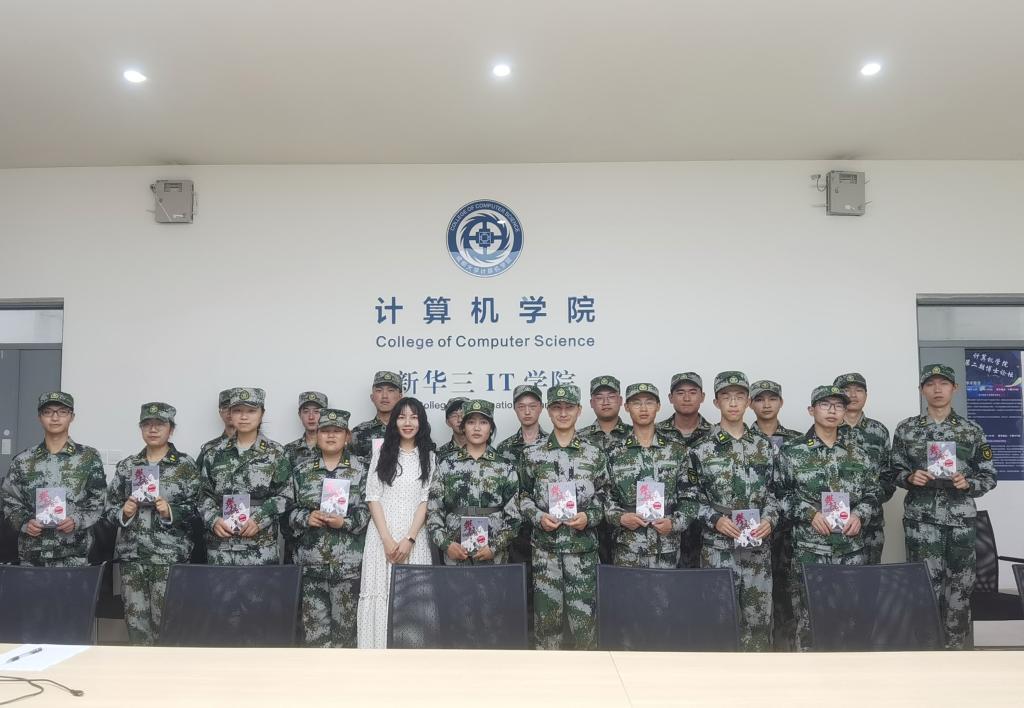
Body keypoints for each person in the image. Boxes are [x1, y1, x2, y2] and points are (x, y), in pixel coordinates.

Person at [891, 364, 997, 649]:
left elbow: (989, 476)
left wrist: (968, 483)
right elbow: (892, 472)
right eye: (930, 384)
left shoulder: (971, 430)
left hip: (960, 523)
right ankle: (925, 654)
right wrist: (909, 477)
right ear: (921, 390)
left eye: (943, 383)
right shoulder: (907, 429)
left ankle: (958, 654)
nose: (937, 389)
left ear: (954, 388)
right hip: (921, 522)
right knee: (923, 587)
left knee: (960, 589)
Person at [779, 385, 880, 651]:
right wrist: (809, 513)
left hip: (850, 549)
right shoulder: (792, 451)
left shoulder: (859, 453)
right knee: (809, 618)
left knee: (850, 617)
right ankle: (807, 673)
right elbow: (778, 495)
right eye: (825, 405)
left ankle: (847, 674)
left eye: (838, 405)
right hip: (810, 549)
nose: (832, 410)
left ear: (845, 411)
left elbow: (873, 493)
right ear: (811, 410)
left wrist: (860, 514)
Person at [684, 372, 781, 651]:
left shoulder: (765, 446)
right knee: (717, 623)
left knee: (759, 624)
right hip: (717, 549)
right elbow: (689, 497)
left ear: (748, 402)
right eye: (727, 397)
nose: (734, 403)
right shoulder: (700, 449)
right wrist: (714, 519)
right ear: (716, 403)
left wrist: (770, 519)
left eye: (740, 397)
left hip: (757, 550)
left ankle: (758, 678)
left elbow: (778, 493)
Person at [519, 384, 609, 650]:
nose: (563, 413)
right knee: (547, 626)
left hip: (582, 552)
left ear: (579, 410)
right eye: (557, 407)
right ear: (548, 411)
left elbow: (605, 495)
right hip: (546, 553)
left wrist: (589, 516)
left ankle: (587, 675)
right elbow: (522, 496)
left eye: (569, 407)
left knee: (585, 625)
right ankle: (548, 675)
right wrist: (538, 516)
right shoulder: (532, 453)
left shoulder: (594, 453)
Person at [106, 402, 202, 645]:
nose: (153, 429)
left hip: (169, 558)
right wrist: (124, 512)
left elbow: (199, 508)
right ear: (140, 428)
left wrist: (171, 511)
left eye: (160, 424)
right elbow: (108, 509)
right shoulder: (128, 466)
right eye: (147, 424)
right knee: (136, 627)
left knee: (170, 626)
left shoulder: (185, 465)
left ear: (171, 429)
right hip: (133, 558)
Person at [357, 397, 435, 648]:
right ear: (394, 422)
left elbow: (425, 501)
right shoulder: (381, 453)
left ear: (421, 422)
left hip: (414, 538)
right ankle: (376, 657)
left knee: (414, 599)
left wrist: (409, 539)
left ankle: (412, 661)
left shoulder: (429, 457)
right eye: (402, 417)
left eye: (414, 417)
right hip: (381, 537)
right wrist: (387, 539)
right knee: (379, 596)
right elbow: (373, 497)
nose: (408, 422)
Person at [290, 408, 368, 648]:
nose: (331, 436)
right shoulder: (302, 471)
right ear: (317, 435)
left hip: (348, 567)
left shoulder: (363, 469)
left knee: (346, 636)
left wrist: (345, 522)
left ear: (348, 436)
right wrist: (306, 517)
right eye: (325, 431)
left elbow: (370, 511)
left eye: (337, 431)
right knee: (314, 636)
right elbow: (288, 511)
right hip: (311, 565)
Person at [1, 392, 106, 567]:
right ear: (39, 417)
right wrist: (25, 522)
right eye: (48, 412)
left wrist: (76, 520)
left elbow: (98, 500)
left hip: (73, 554)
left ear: (72, 417)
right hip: (33, 555)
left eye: (62, 412)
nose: (55, 417)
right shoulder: (23, 460)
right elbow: (9, 501)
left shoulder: (88, 457)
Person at [198, 388, 293, 565]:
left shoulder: (276, 453)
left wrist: (260, 519)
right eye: (237, 411)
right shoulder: (214, 454)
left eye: (251, 411)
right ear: (230, 414)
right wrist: (213, 520)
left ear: (262, 414)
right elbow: (204, 495)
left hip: (260, 549)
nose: (244, 417)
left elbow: (286, 495)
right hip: (221, 549)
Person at [605, 383, 691, 568]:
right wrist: (620, 518)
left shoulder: (677, 450)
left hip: (666, 548)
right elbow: (605, 495)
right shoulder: (613, 452)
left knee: (666, 589)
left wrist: (674, 523)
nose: (643, 408)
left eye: (649, 402)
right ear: (626, 407)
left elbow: (691, 495)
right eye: (636, 403)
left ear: (658, 406)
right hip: (628, 548)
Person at [427, 399, 521, 565]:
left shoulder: (505, 466)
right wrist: (446, 544)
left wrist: (494, 547)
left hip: (494, 555)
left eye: (483, 422)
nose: (477, 428)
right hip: (456, 552)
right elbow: (434, 510)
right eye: (471, 422)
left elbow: (514, 516)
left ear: (491, 428)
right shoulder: (446, 464)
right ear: (463, 427)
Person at [748, 378, 802, 651]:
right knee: (754, 598)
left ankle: (786, 654)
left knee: (788, 594)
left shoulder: (798, 441)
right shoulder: (742, 439)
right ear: (750, 404)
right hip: (751, 530)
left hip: (788, 531)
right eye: (759, 399)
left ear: (781, 402)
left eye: (772, 399)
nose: (766, 404)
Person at [834, 373, 893, 565]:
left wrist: (867, 506)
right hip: (833, 522)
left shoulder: (879, 431)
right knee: (835, 578)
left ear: (866, 395)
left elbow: (888, 476)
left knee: (870, 577)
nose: (853, 395)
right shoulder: (826, 427)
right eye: (846, 390)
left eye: (859, 390)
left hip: (870, 523)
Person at [656, 372, 712, 569]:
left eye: (692, 392)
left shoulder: (714, 434)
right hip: (665, 530)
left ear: (702, 397)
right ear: (670, 398)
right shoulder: (655, 433)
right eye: (680, 393)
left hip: (706, 529)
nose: (686, 398)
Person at [350, 371, 403, 463]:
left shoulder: (409, 430)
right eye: (379, 390)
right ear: (372, 397)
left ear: (400, 397)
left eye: (391, 390)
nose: (384, 396)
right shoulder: (359, 432)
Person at [579, 375, 632, 452]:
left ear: (620, 400)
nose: (605, 402)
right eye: (599, 398)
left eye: (611, 396)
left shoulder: (636, 435)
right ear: (591, 403)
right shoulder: (578, 437)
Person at [284, 391, 328, 469]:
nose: (311, 417)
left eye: (316, 411)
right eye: (306, 411)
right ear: (299, 415)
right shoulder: (289, 450)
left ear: (325, 414)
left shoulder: (333, 447)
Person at [197, 388, 236, 470]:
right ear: (220, 413)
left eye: (235, 407)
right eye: (225, 407)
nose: (230, 412)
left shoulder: (259, 446)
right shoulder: (209, 449)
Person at [436, 396, 470, 462]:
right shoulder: (438, 454)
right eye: (454, 416)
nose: (460, 420)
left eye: (464, 415)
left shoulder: (484, 450)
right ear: (448, 422)